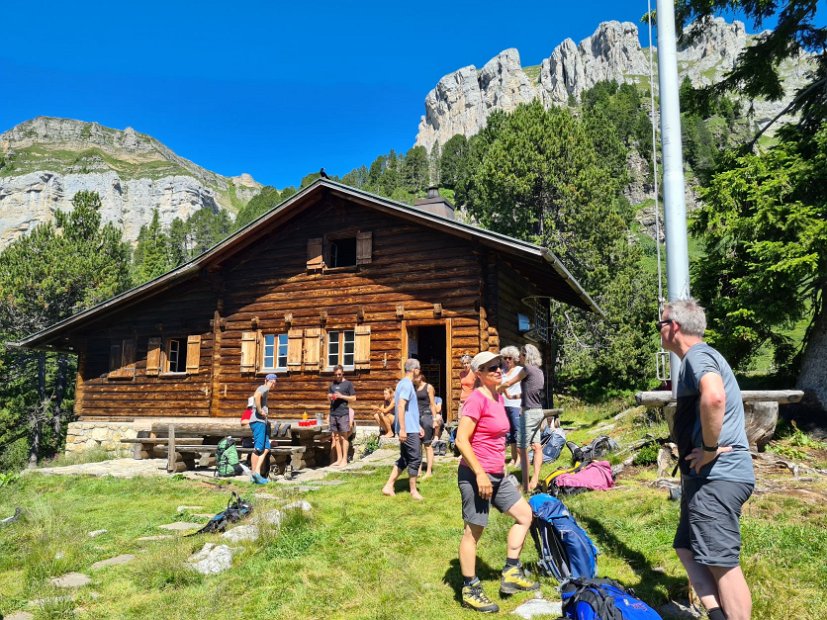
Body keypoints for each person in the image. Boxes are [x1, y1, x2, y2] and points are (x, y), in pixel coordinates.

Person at [659, 298, 755, 620]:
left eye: (661, 323)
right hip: (702, 479)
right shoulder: (699, 357)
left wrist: (711, 450)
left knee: (721, 562)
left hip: (717, 477)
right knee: (687, 548)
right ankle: (718, 614)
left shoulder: (698, 355)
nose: (659, 330)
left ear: (674, 326)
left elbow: (714, 396)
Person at [455, 351, 539, 613]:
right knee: (474, 531)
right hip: (475, 474)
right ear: (478, 373)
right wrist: (480, 473)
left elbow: (514, 378)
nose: (498, 369)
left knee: (525, 515)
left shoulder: (497, 395)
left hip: (498, 476)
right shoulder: (475, 400)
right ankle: (470, 588)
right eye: (491, 367)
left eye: (500, 364)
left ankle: (512, 571)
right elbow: (461, 440)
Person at [499, 343, 545, 491]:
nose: (520, 358)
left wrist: (495, 389)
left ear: (526, 356)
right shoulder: (539, 371)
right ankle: (535, 479)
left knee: (521, 448)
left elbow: (509, 382)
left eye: (521, 355)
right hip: (538, 411)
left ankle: (526, 484)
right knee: (537, 446)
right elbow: (530, 392)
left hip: (529, 413)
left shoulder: (526, 369)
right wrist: (513, 396)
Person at [381, 359, 424, 500]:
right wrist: (404, 429)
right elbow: (400, 406)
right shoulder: (406, 385)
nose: (419, 372)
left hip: (412, 427)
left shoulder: (402, 384)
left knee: (405, 458)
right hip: (408, 430)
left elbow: (409, 410)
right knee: (415, 458)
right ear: (415, 370)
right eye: (419, 369)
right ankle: (413, 491)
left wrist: (418, 426)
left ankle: (388, 485)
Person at [249, 374, 277, 484]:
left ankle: (257, 473)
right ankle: (254, 475)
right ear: (266, 381)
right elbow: (256, 397)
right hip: (258, 421)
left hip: (262, 422)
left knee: (266, 447)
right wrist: (260, 411)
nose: (273, 384)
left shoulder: (266, 389)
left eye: (274, 382)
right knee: (258, 448)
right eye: (271, 382)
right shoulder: (263, 387)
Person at [328, 364, 356, 467]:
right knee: (335, 437)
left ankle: (344, 460)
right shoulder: (332, 385)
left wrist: (341, 396)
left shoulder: (348, 384)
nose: (338, 376)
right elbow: (329, 400)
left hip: (343, 413)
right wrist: (330, 397)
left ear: (343, 373)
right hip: (333, 413)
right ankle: (339, 459)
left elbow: (354, 398)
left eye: (340, 374)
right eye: (336, 374)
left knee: (344, 437)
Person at [499, 346, 523, 466]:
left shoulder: (520, 370)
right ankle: (513, 458)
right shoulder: (501, 371)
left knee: (517, 432)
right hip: (503, 405)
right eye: (505, 358)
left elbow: (525, 389)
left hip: (516, 405)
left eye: (510, 358)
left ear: (514, 359)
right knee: (509, 433)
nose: (507, 360)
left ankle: (519, 458)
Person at [415, 371, 438, 480]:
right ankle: (418, 470)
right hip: (416, 419)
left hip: (427, 417)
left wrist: (434, 419)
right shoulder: (414, 388)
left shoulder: (429, 387)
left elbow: (433, 404)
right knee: (417, 445)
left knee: (427, 445)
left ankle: (429, 471)